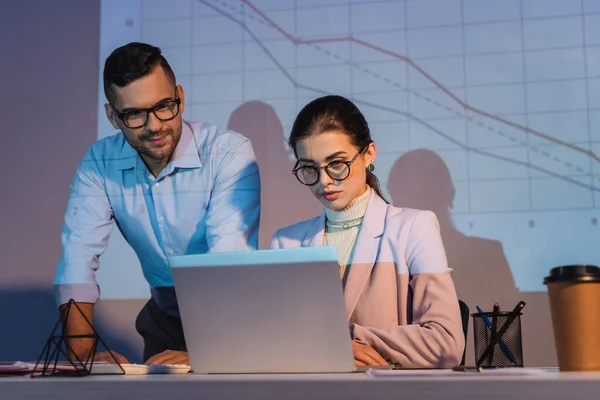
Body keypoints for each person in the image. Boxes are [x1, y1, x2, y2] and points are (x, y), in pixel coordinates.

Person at [54, 42, 260, 365]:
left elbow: (228, 262)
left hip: (234, 317)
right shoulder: (99, 163)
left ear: (180, 95)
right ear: (112, 116)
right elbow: (77, 257)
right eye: (134, 114)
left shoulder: (227, 152)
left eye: (164, 106)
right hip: (163, 318)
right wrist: (84, 356)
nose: (154, 126)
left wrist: (206, 355)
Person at [270, 95, 464, 368]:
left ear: (369, 153)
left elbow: (445, 344)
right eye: (309, 168)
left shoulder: (413, 228)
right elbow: (270, 342)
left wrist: (337, 341)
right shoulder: (285, 242)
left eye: (337, 163)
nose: (324, 181)